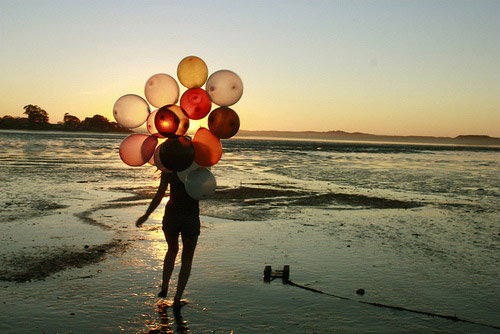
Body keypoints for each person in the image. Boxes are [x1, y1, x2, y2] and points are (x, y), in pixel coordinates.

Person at [136, 171, 200, 305]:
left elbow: (160, 194)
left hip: (171, 215)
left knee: (171, 250)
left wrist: (146, 215)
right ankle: (177, 298)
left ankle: (164, 286)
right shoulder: (198, 167)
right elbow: (205, 190)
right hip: (190, 216)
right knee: (187, 259)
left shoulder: (169, 169)